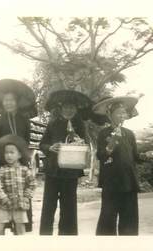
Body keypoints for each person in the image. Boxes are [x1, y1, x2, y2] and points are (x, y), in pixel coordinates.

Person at [93, 96, 153, 235]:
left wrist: (146, 155)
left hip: (129, 181)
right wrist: (111, 144)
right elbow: (101, 156)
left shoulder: (129, 134)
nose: (122, 116)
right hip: (111, 182)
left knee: (129, 220)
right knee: (108, 218)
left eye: (123, 113)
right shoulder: (103, 133)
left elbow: (135, 157)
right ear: (110, 115)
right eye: (118, 113)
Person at [39, 90, 92, 235]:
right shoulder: (53, 124)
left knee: (69, 207)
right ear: (61, 108)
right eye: (67, 107)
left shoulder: (80, 125)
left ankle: (68, 237)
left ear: (76, 109)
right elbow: (42, 144)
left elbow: (86, 145)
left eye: (72, 108)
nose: (69, 110)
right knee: (49, 206)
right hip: (53, 171)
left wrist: (81, 143)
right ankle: (45, 236)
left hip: (71, 172)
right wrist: (50, 147)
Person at [0, 79, 37, 233]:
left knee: (22, 201)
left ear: (17, 102)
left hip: (20, 167)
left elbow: (26, 142)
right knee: (4, 202)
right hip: (3, 166)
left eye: (11, 100)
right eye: (5, 100)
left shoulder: (25, 121)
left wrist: (22, 160)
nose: (8, 103)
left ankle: (20, 231)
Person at [0, 134, 36, 235]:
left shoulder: (25, 170)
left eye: (12, 152)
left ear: (19, 155)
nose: (9, 155)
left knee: (20, 227)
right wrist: (3, 197)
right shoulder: (2, 170)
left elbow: (33, 183)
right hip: (5, 205)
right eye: (6, 153)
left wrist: (26, 196)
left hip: (20, 204)